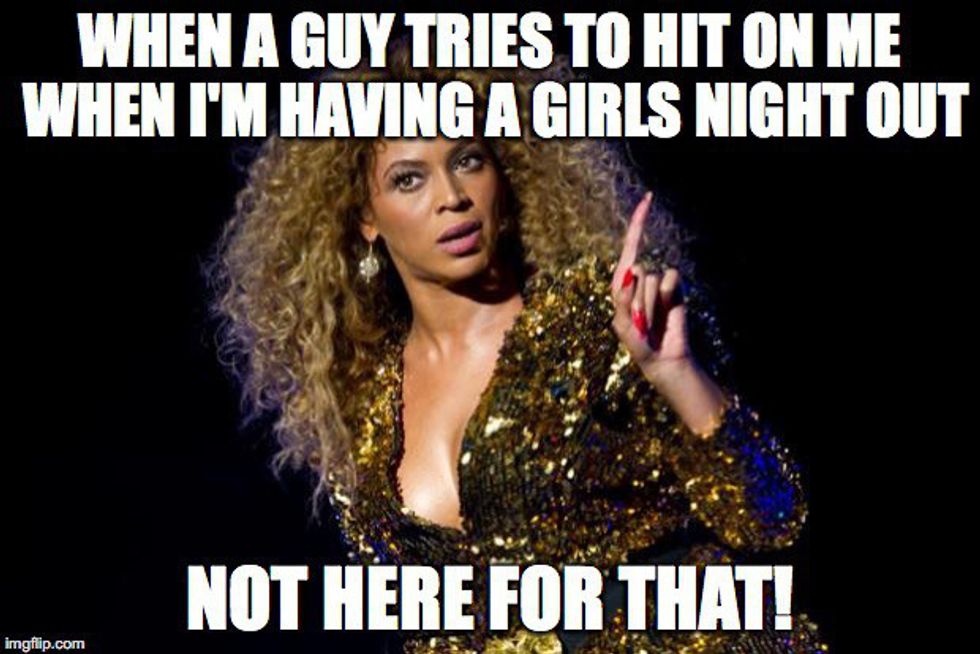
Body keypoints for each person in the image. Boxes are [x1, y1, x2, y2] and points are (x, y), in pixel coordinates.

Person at [207, 35, 829, 653]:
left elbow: (771, 517)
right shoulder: (363, 410)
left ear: (504, 172)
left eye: (468, 160)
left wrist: (675, 371)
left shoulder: (600, 320)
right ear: (365, 217)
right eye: (408, 180)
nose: (451, 197)